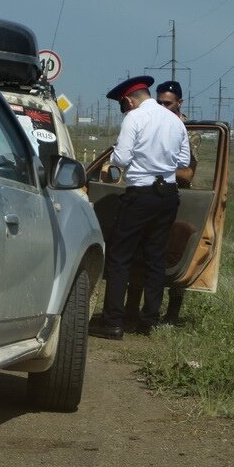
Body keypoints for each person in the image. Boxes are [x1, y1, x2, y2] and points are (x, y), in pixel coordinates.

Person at [89, 75, 190, 340]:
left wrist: (115, 158)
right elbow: (183, 161)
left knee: (120, 256)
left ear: (128, 100)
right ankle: (149, 321)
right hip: (168, 195)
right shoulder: (176, 122)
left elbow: (121, 159)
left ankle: (112, 321)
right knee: (155, 258)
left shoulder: (133, 118)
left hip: (141, 194)